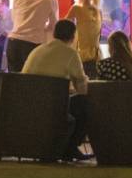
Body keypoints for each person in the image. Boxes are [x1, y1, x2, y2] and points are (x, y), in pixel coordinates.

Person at [21, 18, 90, 161]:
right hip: (52, 109)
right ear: (73, 36)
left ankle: (64, 149)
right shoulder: (70, 53)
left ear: (54, 33)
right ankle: (70, 148)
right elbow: (82, 86)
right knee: (85, 103)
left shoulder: (37, 50)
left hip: (28, 106)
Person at [7, 0, 59, 72]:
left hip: (14, 41)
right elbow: (54, 25)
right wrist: (41, 27)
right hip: (33, 44)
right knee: (31, 78)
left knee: (13, 78)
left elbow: (14, 16)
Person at [67, 0, 103, 78]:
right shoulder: (98, 11)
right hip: (96, 54)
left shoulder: (76, 8)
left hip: (82, 53)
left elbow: (64, 25)